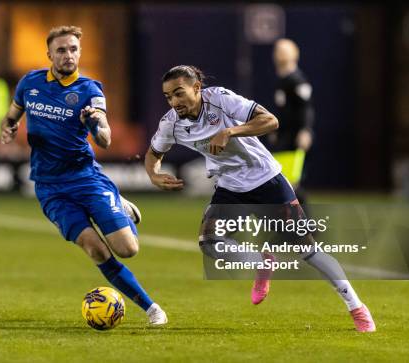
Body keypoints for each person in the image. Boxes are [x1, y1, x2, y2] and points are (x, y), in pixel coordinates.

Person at [144, 65, 375, 332]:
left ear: (196, 88)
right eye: (168, 97)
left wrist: (230, 131)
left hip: (267, 181)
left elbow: (271, 121)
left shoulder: (221, 99)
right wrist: (153, 174)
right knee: (209, 242)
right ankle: (262, 263)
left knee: (308, 250)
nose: (174, 102)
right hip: (230, 187)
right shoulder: (171, 123)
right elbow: (153, 153)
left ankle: (357, 307)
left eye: (179, 93)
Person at [0, 25, 167, 325]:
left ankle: (119, 204)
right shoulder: (30, 83)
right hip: (50, 188)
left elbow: (105, 138)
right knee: (95, 250)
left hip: (85, 178)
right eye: (61, 50)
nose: (68, 55)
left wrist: (95, 124)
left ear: (80, 52)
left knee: (128, 250)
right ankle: (152, 308)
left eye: (73, 49)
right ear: (49, 53)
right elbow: (14, 113)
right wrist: (8, 127)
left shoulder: (89, 90)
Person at [270, 39, 314, 205]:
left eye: (284, 50)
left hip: (294, 139)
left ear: (294, 54)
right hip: (284, 138)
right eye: (277, 50)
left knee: (290, 183)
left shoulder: (297, 80)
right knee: (284, 182)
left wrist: (305, 130)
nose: (279, 53)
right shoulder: (282, 80)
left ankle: (305, 224)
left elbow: (306, 107)